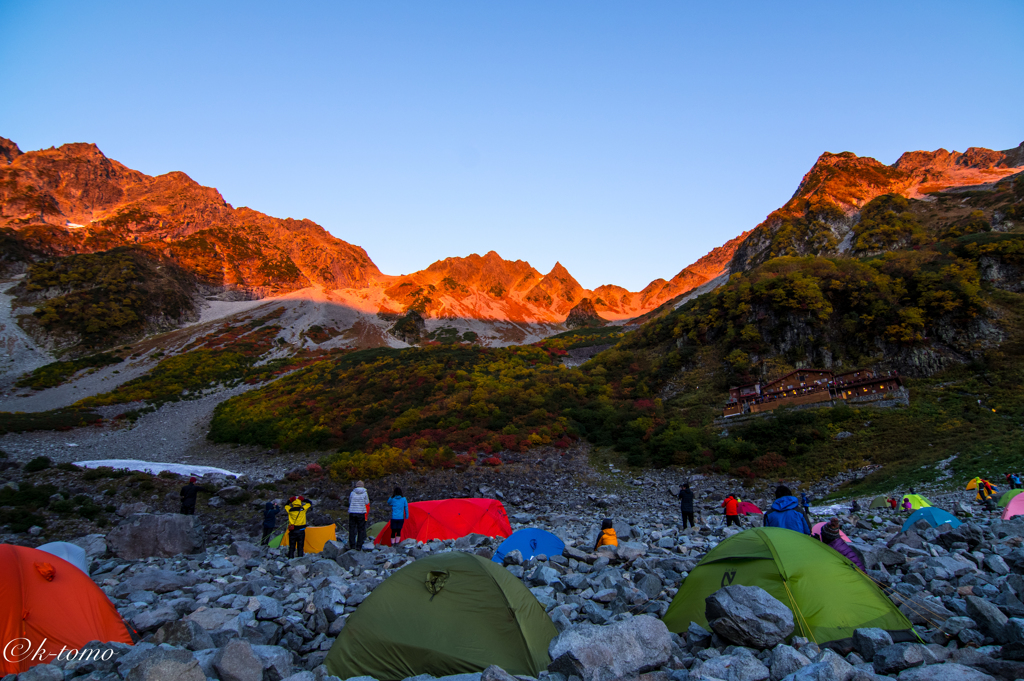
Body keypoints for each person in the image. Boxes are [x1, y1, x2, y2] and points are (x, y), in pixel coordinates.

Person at [349, 480, 370, 551]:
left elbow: (350, 501)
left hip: (352, 512)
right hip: (361, 512)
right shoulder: (365, 493)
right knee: (360, 529)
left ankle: (352, 545)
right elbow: (367, 502)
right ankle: (359, 545)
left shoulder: (352, 493)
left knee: (352, 529)